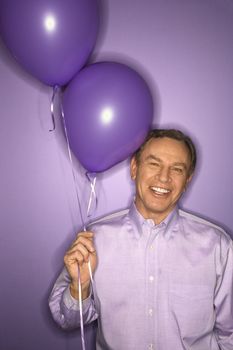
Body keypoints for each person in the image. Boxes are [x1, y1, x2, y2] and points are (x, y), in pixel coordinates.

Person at [49, 129, 233, 350]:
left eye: (177, 169)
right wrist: (81, 287)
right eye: (154, 164)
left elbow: (230, 333)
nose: (164, 177)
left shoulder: (217, 246)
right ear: (134, 168)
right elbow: (66, 320)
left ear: (187, 180)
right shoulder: (94, 239)